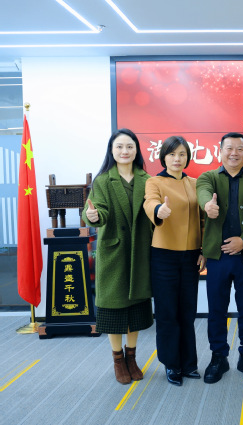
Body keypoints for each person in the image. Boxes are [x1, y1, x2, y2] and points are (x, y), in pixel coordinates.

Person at [197, 132, 243, 384]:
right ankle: (218, 357)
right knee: (216, 310)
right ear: (220, 151)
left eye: (240, 149)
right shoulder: (208, 177)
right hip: (217, 258)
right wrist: (208, 206)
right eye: (229, 148)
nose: (234, 153)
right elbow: (203, 193)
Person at [82, 129, 153, 385]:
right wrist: (92, 216)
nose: (125, 151)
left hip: (140, 251)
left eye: (130, 146)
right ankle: (117, 359)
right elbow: (95, 210)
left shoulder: (147, 179)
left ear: (136, 150)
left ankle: (131, 357)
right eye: (120, 146)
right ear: (111, 151)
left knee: (135, 309)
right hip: (114, 252)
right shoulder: (103, 180)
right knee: (114, 309)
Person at [143, 136, 205, 387]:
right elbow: (150, 202)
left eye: (181, 154)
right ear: (163, 157)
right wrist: (159, 210)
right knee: (168, 312)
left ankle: (189, 363)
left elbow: (204, 220)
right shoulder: (154, 182)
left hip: (191, 255)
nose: (177, 159)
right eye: (172, 154)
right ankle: (171, 364)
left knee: (187, 312)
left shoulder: (195, 183)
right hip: (164, 255)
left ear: (187, 157)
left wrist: (204, 250)